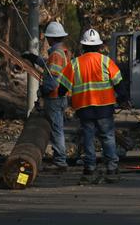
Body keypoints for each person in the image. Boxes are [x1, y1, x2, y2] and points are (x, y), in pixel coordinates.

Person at [58, 28, 126, 184]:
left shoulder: (75, 63)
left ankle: (90, 168)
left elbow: (62, 88)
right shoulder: (106, 61)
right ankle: (111, 168)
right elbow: (118, 83)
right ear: (99, 46)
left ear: (83, 46)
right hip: (104, 107)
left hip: (84, 108)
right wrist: (124, 98)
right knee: (107, 137)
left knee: (88, 138)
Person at [40, 21, 73, 170]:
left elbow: (52, 79)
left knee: (56, 129)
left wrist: (43, 90)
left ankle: (60, 161)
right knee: (57, 128)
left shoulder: (55, 54)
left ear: (50, 39)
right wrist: (36, 60)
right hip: (61, 96)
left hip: (54, 96)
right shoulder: (63, 52)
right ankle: (59, 158)